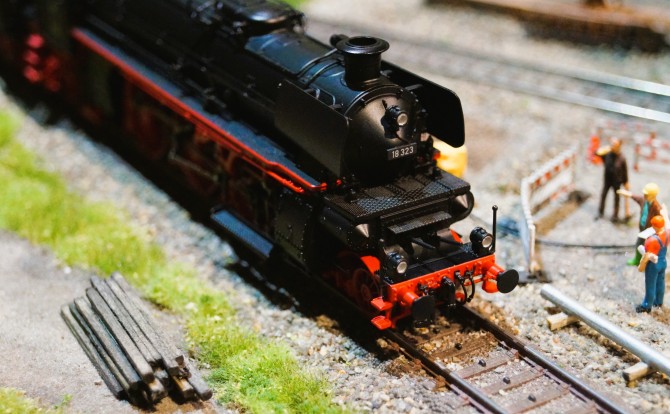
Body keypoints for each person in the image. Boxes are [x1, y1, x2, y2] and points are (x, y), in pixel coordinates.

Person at [619, 183, 662, 266]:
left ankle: (649, 262)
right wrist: (626, 193)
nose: (645, 196)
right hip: (643, 228)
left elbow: (660, 219)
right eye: (644, 194)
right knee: (639, 244)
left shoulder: (656, 207)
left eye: (647, 195)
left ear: (653, 196)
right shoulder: (643, 200)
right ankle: (637, 259)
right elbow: (635, 197)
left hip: (651, 231)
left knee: (650, 247)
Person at [635, 215, 668, 313]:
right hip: (663, 261)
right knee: (660, 282)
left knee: (650, 284)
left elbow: (647, 255)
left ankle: (646, 306)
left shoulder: (652, 240)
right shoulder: (667, 234)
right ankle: (659, 302)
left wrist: (641, 265)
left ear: (654, 226)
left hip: (653, 265)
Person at [595, 138, 629, 222]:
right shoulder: (607, 154)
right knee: (603, 195)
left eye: (615, 145)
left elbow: (625, 171)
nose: (613, 146)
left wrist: (626, 182)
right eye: (612, 144)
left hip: (617, 182)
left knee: (617, 198)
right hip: (607, 180)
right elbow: (597, 153)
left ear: (619, 146)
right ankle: (600, 212)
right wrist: (606, 148)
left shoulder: (622, 158)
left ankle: (615, 215)